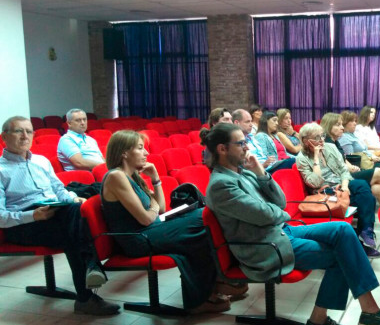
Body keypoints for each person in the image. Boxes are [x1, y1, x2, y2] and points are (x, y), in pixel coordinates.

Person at [204, 123, 380, 325]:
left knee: (343, 230)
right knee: (341, 255)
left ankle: (366, 313)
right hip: (265, 246)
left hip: (280, 232)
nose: (247, 147)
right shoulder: (222, 185)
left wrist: (260, 172)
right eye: (241, 143)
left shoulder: (245, 173)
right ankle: (334, 319)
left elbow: (280, 201)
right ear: (222, 149)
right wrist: (279, 215)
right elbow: (268, 214)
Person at [100, 130, 246, 314]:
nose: (146, 152)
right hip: (137, 240)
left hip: (152, 229)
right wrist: (152, 207)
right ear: (124, 153)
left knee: (203, 216)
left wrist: (155, 179)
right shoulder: (116, 176)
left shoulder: (133, 177)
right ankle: (211, 287)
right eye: (140, 148)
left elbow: (159, 209)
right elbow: (145, 218)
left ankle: (210, 287)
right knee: (202, 220)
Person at [0, 116, 119, 315]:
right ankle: (91, 272)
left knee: (76, 215)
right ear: (4, 136)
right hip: (23, 224)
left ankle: (86, 296)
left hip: (55, 214)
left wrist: (74, 198)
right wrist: (33, 215)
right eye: (18, 131)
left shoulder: (41, 161)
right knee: (75, 226)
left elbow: (60, 191)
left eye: (29, 131)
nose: (25, 136)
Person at [296, 122, 380, 259]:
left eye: (322, 136)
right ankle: (363, 241)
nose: (321, 140)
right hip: (326, 193)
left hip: (342, 185)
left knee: (361, 185)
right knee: (367, 198)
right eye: (317, 137)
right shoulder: (302, 159)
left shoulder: (330, 147)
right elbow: (315, 183)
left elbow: (343, 170)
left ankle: (366, 232)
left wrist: (345, 186)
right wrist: (316, 157)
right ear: (306, 141)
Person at [320, 113, 380, 199]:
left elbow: (342, 158)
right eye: (338, 125)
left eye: (342, 125)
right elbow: (336, 168)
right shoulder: (327, 144)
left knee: (377, 187)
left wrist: (351, 166)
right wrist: (349, 167)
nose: (342, 128)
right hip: (342, 178)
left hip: (349, 171)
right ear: (329, 126)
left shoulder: (335, 141)